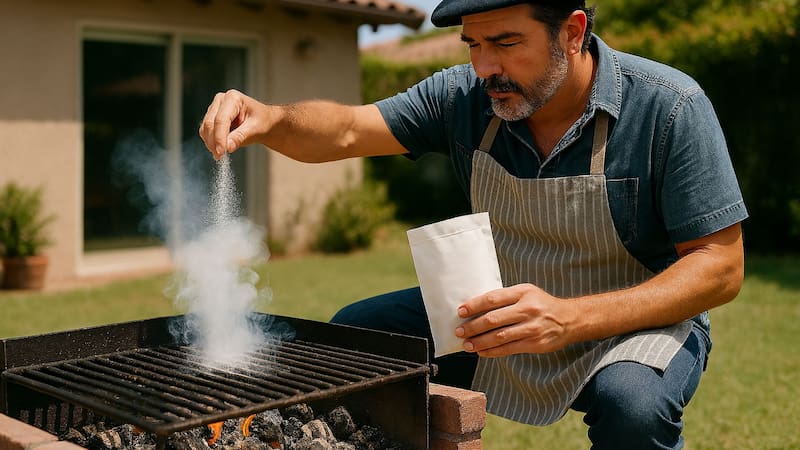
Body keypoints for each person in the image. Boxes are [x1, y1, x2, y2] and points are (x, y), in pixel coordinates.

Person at [199, 0, 748, 448]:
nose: (484, 66)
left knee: (634, 407)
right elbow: (346, 130)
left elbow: (720, 267)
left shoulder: (670, 106)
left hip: (632, 320)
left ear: (573, 32)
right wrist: (270, 118)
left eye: (506, 43)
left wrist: (567, 318)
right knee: (361, 343)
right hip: (500, 303)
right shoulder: (465, 96)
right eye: (473, 45)